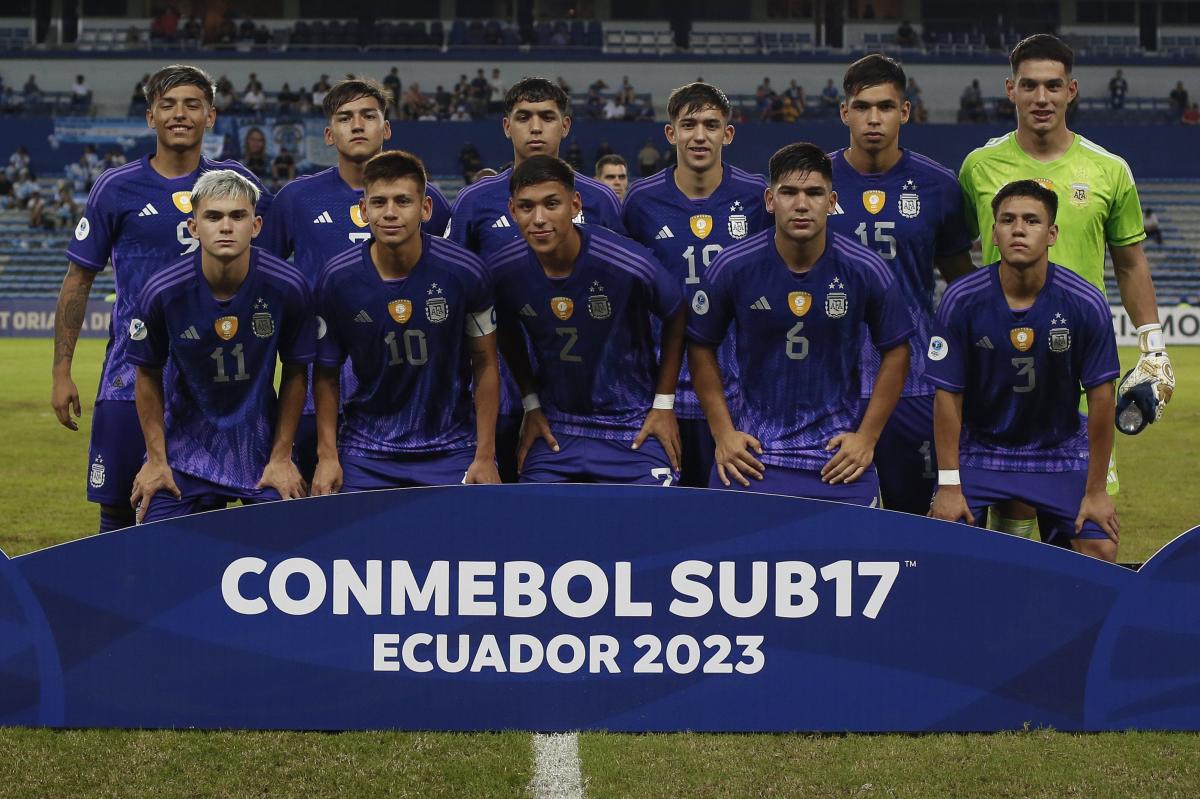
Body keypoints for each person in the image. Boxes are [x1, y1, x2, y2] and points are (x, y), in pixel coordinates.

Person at [959, 34, 1173, 542]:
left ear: (1071, 90)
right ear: (1010, 90)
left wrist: (1153, 344)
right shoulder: (979, 167)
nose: (1041, 97)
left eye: (1053, 85)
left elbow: (1129, 262)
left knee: (1090, 525)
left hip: (1081, 364)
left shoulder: (1108, 169)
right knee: (1009, 528)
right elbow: (959, 250)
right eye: (1029, 85)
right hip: (1001, 360)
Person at [52, 64, 271, 535]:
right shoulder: (117, 187)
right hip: (130, 377)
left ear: (210, 116)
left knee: (205, 511)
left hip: (214, 381)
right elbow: (78, 279)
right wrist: (61, 370)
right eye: (167, 105)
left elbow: (275, 263)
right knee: (118, 506)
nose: (179, 114)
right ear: (150, 116)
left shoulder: (237, 186)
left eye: (192, 104)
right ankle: (111, 602)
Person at [687, 143, 912, 502]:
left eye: (814, 193)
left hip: (837, 460)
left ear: (832, 201)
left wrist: (867, 438)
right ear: (769, 200)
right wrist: (723, 433)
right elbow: (700, 345)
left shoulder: (866, 269)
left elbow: (897, 350)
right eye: (789, 192)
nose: (802, 204)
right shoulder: (733, 266)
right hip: (752, 457)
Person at [259, 78, 452, 481]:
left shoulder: (427, 199)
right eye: (345, 118)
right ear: (330, 134)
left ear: (387, 128)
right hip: (316, 384)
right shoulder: (295, 199)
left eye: (368, 115)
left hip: (404, 385)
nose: (357, 125)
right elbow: (264, 279)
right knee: (317, 510)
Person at [928, 180, 1120, 562]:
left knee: (1100, 548)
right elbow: (948, 396)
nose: (1018, 228)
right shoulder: (960, 300)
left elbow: (1102, 400)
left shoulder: (1085, 303)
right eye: (1007, 220)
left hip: (1058, 450)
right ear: (993, 235)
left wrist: (1096, 490)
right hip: (981, 450)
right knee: (942, 544)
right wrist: (949, 484)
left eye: (1032, 221)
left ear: (1051, 234)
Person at [446, 76, 625, 481]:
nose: (536, 127)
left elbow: (620, 295)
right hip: (500, 380)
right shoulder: (476, 201)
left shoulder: (598, 200)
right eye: (524, 117)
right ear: (507, 127)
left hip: (580, 381)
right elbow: (456, 290)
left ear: (565, 126)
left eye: (547, 116)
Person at [826, 55, 975, 515]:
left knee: (923, 524)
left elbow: (961, 282)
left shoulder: (938, 186)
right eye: (863, 106)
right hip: (834, 386)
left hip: (916, 386)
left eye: (886, 107)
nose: (874, 118)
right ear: (844, 112)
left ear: (905, 112)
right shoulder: (815, 183)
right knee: (837, 525)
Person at [128, 169, 312, 523]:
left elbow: (295, 372)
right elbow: (147, 374)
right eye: (213, 216)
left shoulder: (287, 287)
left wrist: (282, 457)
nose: (226, 226)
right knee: (155, 550)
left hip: (260, 453)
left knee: (293, 544)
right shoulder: (162, 291)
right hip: (185, 453)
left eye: (237, 216)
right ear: (194, 227)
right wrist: (156, 460)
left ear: (256, 226)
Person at [311, 150, 500, 494]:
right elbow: (325, 374)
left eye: (403, 201)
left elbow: (485, 363)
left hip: (451, 448)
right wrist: (327, 457)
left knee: (466, 546)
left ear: (425, 209)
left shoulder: (465, 273)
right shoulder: (337, 278)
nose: (391, 213)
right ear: (363, 210)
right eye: (379, 202)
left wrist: (485, 454)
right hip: (365, 450)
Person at [490, 155, 683, 485]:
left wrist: (664, 404)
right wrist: (531, 403)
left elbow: (677, 311)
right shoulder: (502, 270)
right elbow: (503, 330)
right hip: (557, 428)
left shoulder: (628, 263)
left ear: (575, 204)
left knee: (653, 526)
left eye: (552, 203)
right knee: (533, 527)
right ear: (512, 210)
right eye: (526, 207)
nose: (539, 218)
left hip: (632, 426)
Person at [621, 82, 772, 487]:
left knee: (732, 523)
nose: (700, 136)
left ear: (728, 133)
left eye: (711, 124)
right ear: (671, 134)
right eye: (688, 125)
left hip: (740, 397)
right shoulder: (641, 201)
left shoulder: (759, 197)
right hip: (658, 396)